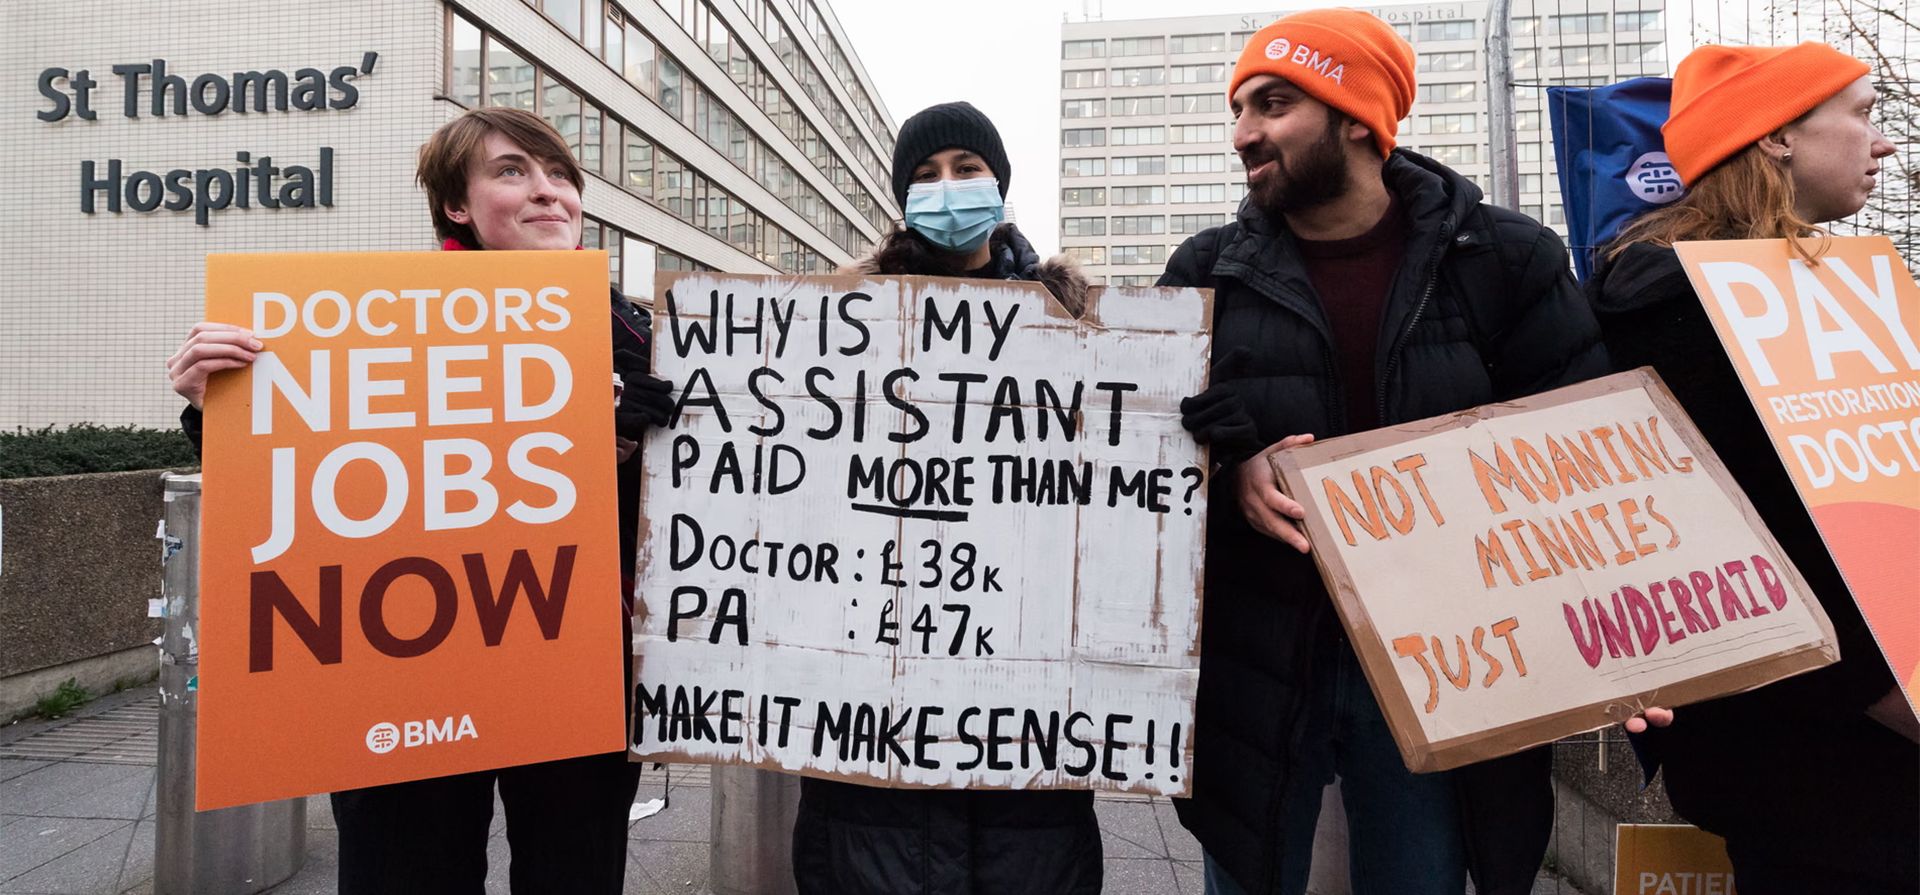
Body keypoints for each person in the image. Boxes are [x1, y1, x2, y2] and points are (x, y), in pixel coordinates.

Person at [164, 106, 673, 894]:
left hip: (580, 664)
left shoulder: (639, 336)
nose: (549, 192)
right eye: (512, 171)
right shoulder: (366, 327)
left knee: (576, 871)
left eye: (559, 174)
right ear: (457, 207)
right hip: (406, 669)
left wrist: (631, 450)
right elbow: (302, 482)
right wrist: (220, 403)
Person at [1162, 10, 1609, 895]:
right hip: (1261, 663)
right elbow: (1150, 452)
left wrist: (1621, 647)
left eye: (1274, 103)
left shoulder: (1506, 261)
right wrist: (1232, 469)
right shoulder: (1206, 272)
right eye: (1240, 107)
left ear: (1358, 117)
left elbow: (1591, 455)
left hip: (1443, 661)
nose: (1243, 132)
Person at [1588, 42, 1917, 894]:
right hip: (1830, 763)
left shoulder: (1822, 289)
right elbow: (1765, 553)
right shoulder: (1687, 311)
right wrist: (1896, 699)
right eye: (1861, 113)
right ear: (1775, 138)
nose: (1883, 142)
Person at [788, 101, 1101, 895]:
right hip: (868, 747)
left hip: (1026, 749)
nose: (948, 188)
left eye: (967, 169)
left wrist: (1194, 438)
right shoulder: (831, 326)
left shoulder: (1080, 329)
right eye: (925, 176)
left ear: (1000, 183)